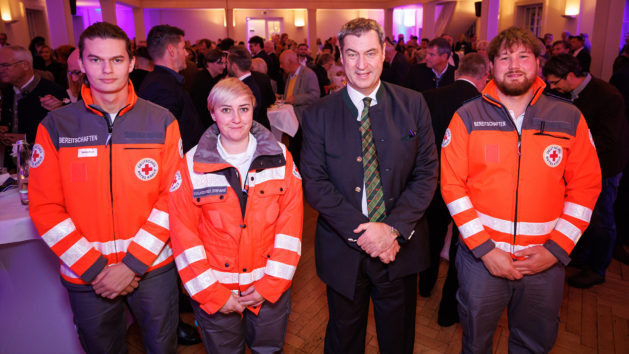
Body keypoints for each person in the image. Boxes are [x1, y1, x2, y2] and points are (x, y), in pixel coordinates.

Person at [441, 26, 601, 353]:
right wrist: (485, 250)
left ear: (538, 64)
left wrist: (555, 250)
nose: (514, 64)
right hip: (481, 262)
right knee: (475, 340)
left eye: (523, 56)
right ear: (491, 66)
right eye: (504, 57)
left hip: (543, 263)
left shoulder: (568, 117)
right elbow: (452, 186)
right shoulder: (467, 117)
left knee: (533, 345)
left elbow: (585, 188)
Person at [28, 22, 181, 353]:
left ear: (131, 62)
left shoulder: (162, 121)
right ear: (80, 65)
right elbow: (44, 207)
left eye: (116, 59)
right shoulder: (56, 126)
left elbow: (173, 198)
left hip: (152, 269)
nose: (107, 69)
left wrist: (131, 265)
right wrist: (97, 268)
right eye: (96, 60)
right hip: (86, 274)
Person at [300, 18, 438, 353]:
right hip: (343, 249)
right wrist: (367, 234)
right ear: (341, 57)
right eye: (352, 54)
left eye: (371, 53)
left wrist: (391, 230)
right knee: (343, 339)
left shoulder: (413, 103)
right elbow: (315, 183)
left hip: (399, 249)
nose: (362, 64)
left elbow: (427, 172)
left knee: (398, 339)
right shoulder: (318, 113)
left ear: (384, 53)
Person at [169, 77, 303, 353]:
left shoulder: (280, 157)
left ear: (254, 110)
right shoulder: (192, 165)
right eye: (226, 110)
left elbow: (290, 229)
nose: (236, 118)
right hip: (217, 290)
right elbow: (184, 237)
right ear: (212, 113)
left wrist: (270, 285)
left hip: (269, 290)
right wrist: (212, 294)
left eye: (244, 109)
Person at [543, 54, 629, 288]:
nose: (552, 87)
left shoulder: (608, 96)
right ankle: (580, 257)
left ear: (571, 76)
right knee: (581, 214)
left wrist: (572, 150)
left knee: (602, 219)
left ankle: (598, 268)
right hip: (581, 167)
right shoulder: (571, 94)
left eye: (555, 82)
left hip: (605, 169)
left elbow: (607, 141)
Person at [420, 53, 490, 327]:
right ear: (484, 76)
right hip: (469, 189)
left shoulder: (428, 97)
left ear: (457, 70)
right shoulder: (484, 105)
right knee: (462, 247)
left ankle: (424, 286)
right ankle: (447, 311)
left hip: (435, 182)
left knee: (432, 237)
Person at [139, 24, 204, 153]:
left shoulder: (163, 81)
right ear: (172, 51)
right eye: (183, 48)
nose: (186, 53)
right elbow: (166, 140)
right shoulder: (161, 87)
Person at [0, 45, 67, 146]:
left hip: (43, 157)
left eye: (5, 65)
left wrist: (27, 138)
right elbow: (9, 119)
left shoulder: (53, 91)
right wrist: (4, 128)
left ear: (25, 65)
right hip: (13, 158)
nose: (1, 70)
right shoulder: (8, 90)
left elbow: (65, 131)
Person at [226, 45, 270, 130]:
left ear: (234, 66)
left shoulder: (245, 88)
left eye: (227, 63)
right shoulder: (250, 81)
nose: (226, 66)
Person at [190, 48, 226, 129]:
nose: (224, 66)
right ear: (209, 63)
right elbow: (202, 109)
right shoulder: (201, 80)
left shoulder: (215, 78)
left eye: (225, 63)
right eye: (220, 63)